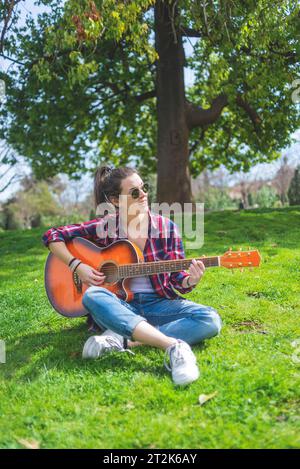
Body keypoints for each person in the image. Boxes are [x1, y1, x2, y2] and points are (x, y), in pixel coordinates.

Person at [42, 166, 222, 386]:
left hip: (158, 303)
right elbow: (53, 236)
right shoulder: (105, 227)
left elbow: (177, 280)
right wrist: (78, 265)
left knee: (210, 320)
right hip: (118, 304)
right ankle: (173, 346)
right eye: (135, 192)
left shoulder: (167, 228)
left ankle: (123, 339)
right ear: (116, 200)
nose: (144, 194)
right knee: (92, 296)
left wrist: (190, 280)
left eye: (144, 188)